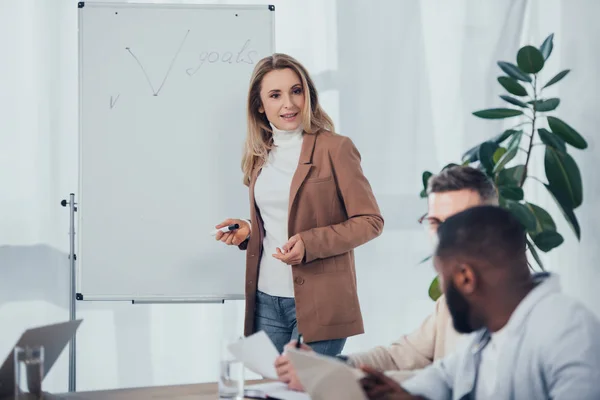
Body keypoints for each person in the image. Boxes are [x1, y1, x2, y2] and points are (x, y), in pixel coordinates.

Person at [214, 53, 383, 356]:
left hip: (322, 301)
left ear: (308, 95)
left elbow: (370, 221)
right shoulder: (258, 154)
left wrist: (310, 243)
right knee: (272, 390)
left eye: (296, 91)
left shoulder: (336, 148)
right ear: (260, 105)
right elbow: (280, 216)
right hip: (266, 299)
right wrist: (250, 231)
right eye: (275, 95)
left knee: (304, 390)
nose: (288, 104)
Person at [275, 165, 499, 389]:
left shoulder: (511, 305)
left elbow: (455, 384)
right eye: (434, 222)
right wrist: (325, 363)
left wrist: (330, 377)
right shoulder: (451, 302)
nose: (443, 235)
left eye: (458, 220)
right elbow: (396, 359)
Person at [360, 205, 600, 400]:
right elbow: (444, 376)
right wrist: (401, 393)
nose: (442, 288)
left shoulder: (570, 330)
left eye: (442, 275)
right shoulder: (486, 334)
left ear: (466, 278)